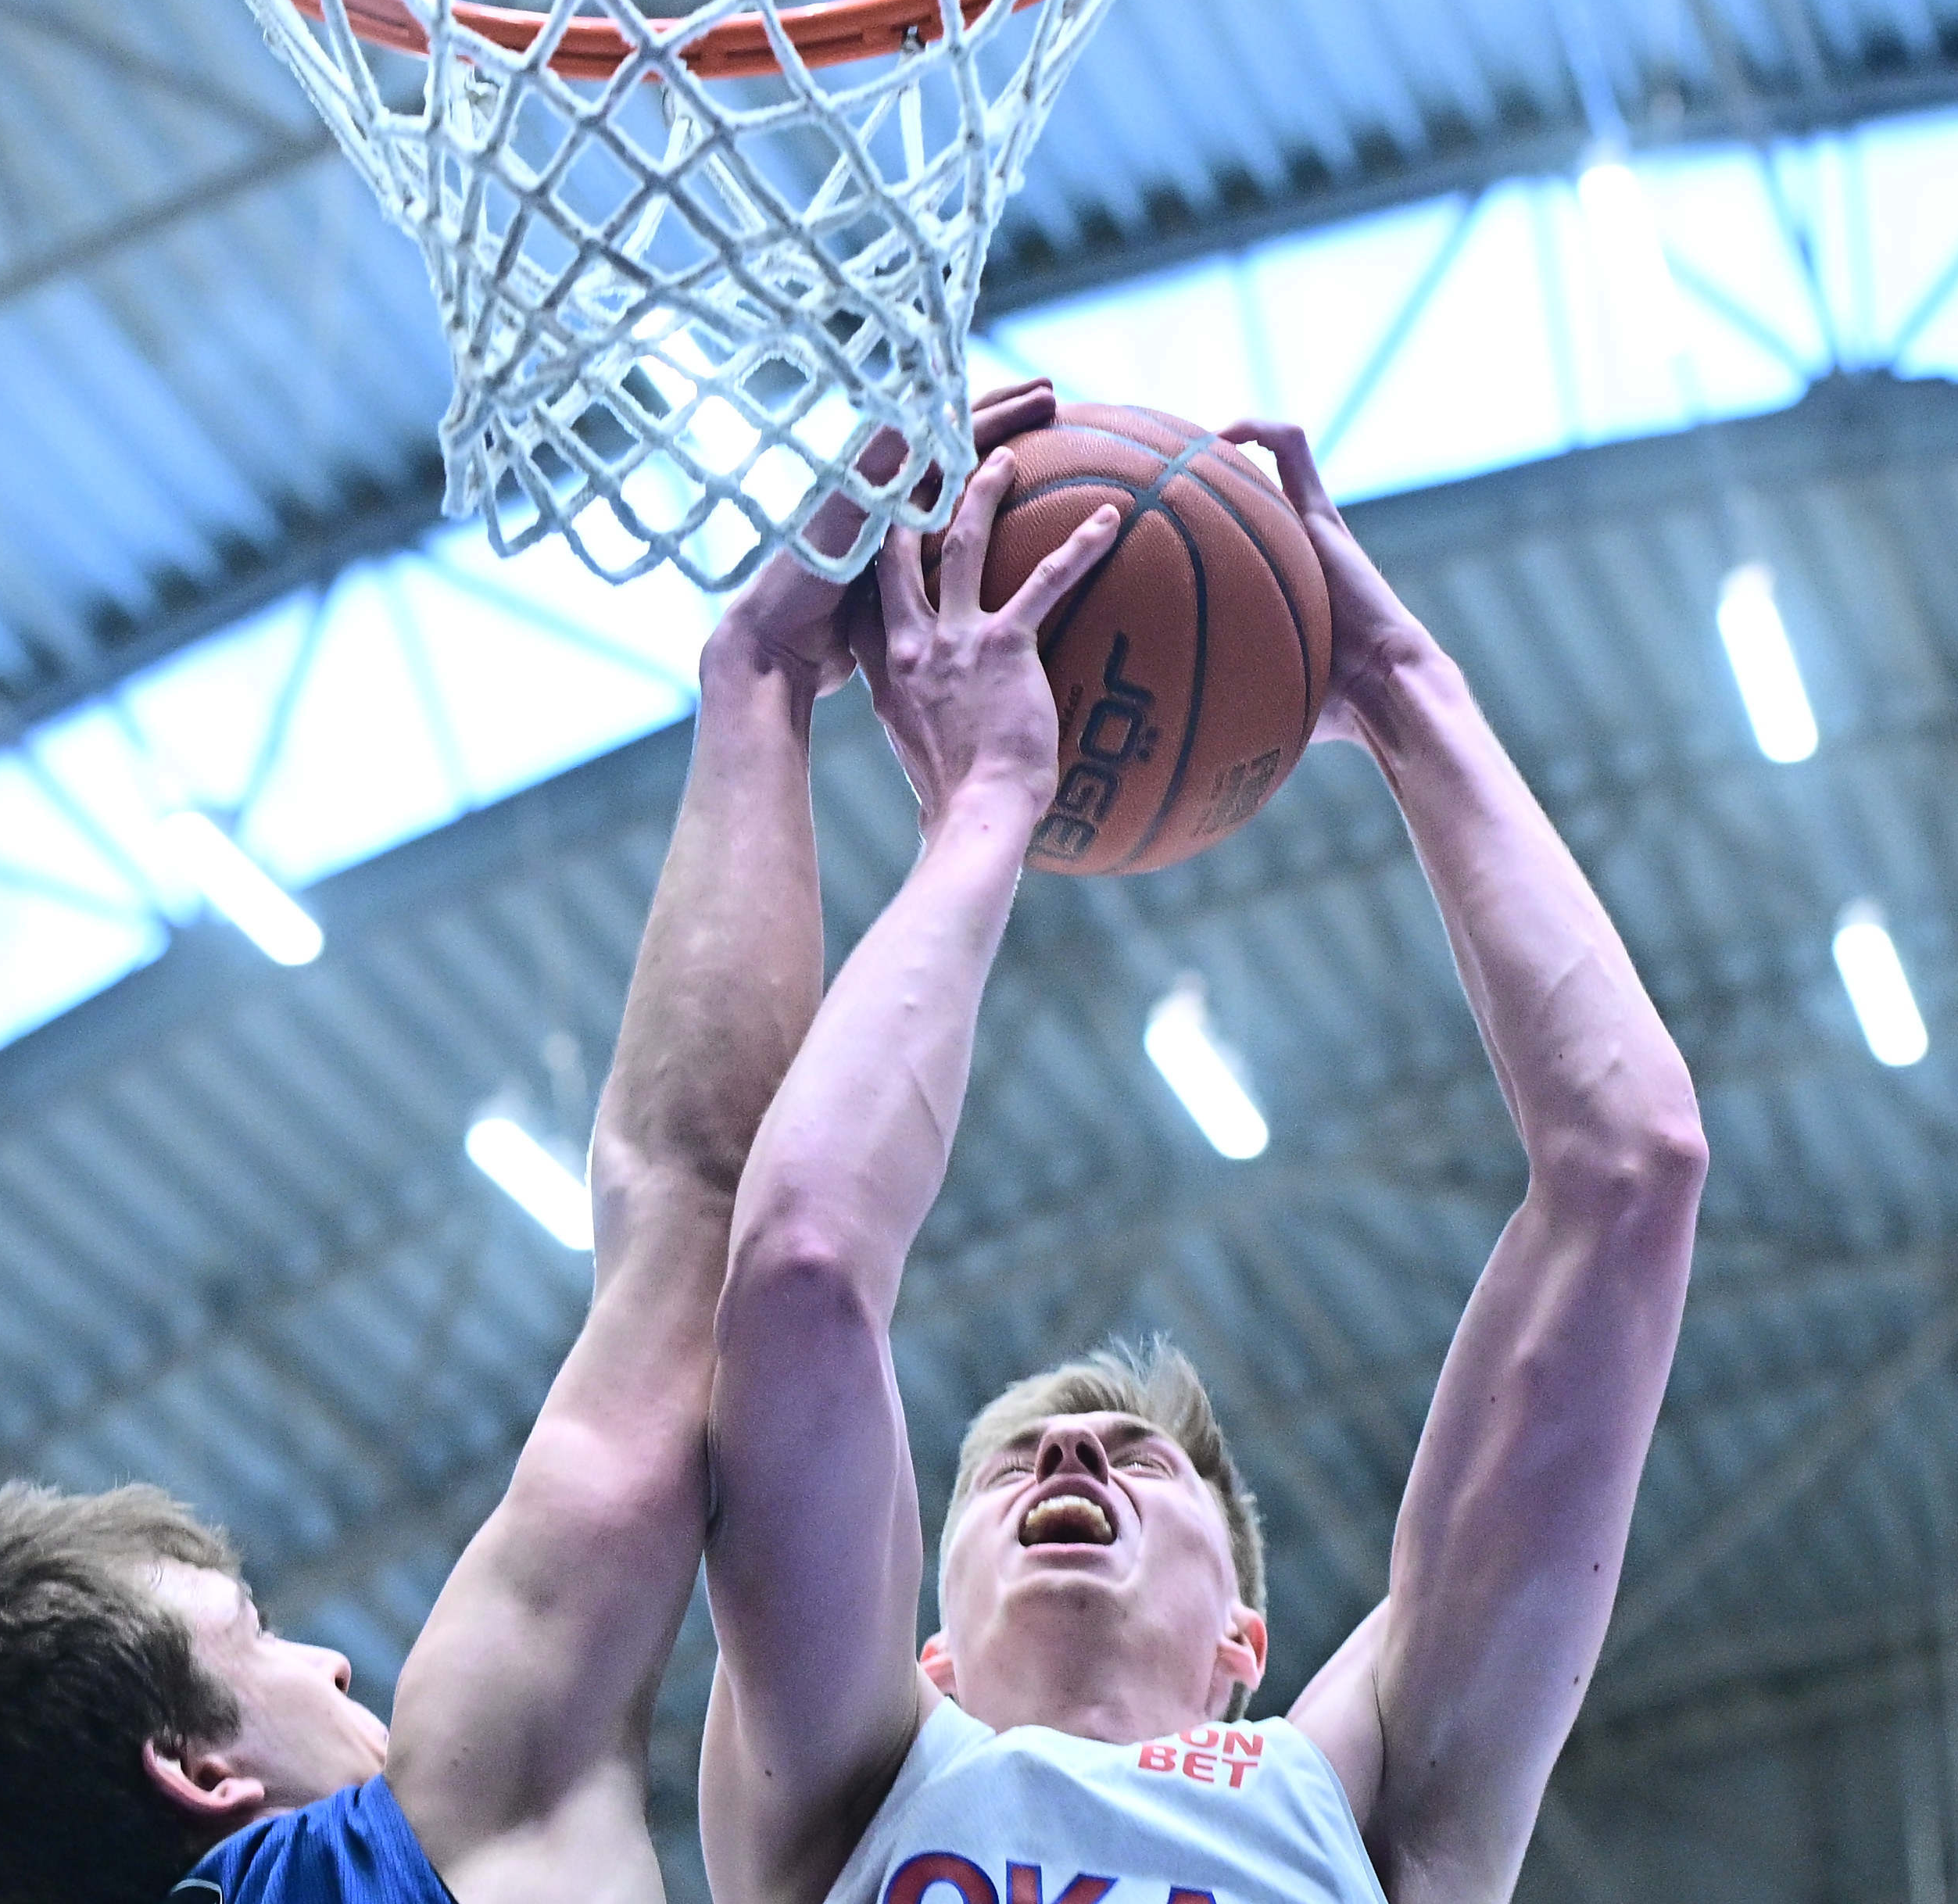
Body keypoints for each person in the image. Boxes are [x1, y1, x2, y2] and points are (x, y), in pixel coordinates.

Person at [0, 381, 1065, 1904]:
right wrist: (758, 684)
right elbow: (694, 1205)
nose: (333, 1665)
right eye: (258, 1637)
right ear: (197, 1767)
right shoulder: (426, 1836)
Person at [698, 420, 1710, 1904]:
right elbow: (796, 1271)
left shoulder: (1357, 1803)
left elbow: (1635, 1167)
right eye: (1007, 1473)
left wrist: (1403, 684)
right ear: (934, 1655)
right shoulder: (862, 1780)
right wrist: (986, 802)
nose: (1068, 1460)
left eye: (1140, 1462)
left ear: (1245, 1639)